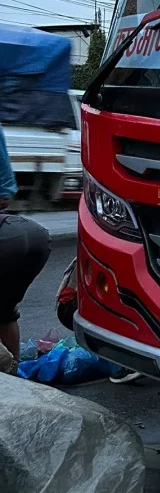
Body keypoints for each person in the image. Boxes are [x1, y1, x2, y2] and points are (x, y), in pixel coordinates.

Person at [0, 124, 51, 361]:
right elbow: (4, 196)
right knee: (5, 314)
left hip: (10, 240)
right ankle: (14, 381)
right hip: (34, 236)